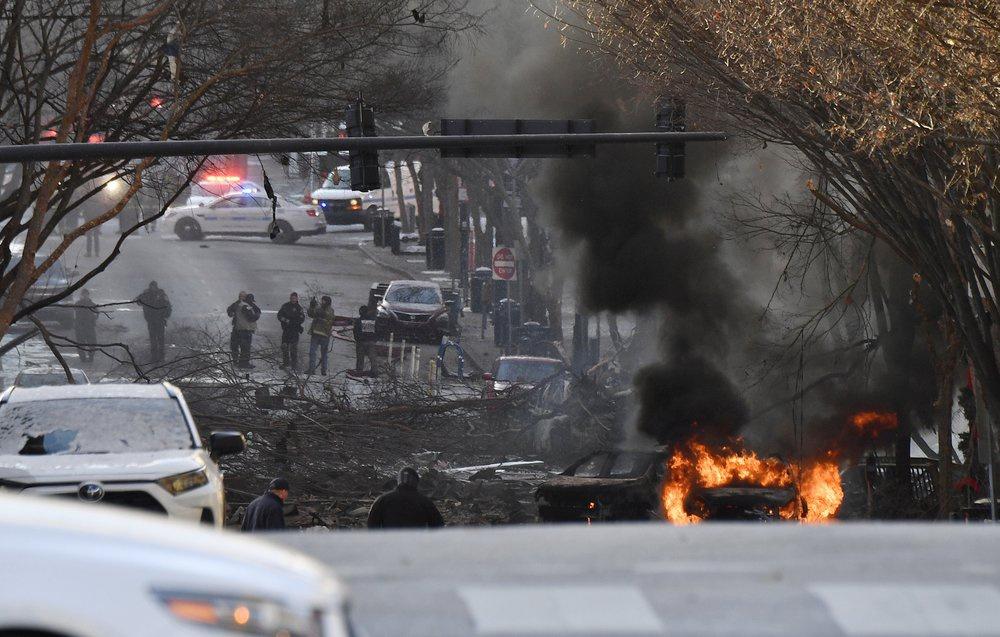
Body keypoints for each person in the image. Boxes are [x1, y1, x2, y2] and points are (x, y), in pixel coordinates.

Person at [367, 467, 444, 529]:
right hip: (417, 544)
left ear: (399, 480)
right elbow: (438, 525)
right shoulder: (425, 501)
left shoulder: (383, 499)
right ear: (416, 482)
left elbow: (371, 523)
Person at [137, 281, 171, 363]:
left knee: (160, 339)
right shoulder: (147, 294)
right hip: (152, 320)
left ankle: (160, 357)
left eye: (153, 286)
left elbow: (168, 306)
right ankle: (155, 357)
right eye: (152, 286)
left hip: (159, 320)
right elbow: (138, 301)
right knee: (154, 340)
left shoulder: (161, 294)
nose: (152, 288)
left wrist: (165, 316)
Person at [306, 295, 336, 375]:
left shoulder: (330, 310)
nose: (322, 302)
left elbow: (326, 316)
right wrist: (312, 306)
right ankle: (311, 369)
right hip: (315, 333)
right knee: (312, 352)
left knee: (324, 354)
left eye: (323, 301)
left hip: (325, 335)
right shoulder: (319, 309)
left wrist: (317, 311)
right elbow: (311, 314)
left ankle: (324, 370)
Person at [277, 292, 305, 370]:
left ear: (297, 299)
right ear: (290, 298)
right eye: (292, 298)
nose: (293, 299)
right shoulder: (285, 306)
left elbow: (302, 318)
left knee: (293, 348)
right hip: (286, 330)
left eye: (294, 298)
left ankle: (294, 365)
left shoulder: (299, 308)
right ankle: (286, 363)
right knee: (284, 347)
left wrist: (295, 322)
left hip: (294, 331)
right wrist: (286, 320)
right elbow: (279, 316)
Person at [234, 292, 261, 369]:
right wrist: (257, 315)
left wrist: (254, 308)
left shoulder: (244, 305)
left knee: (244, 347)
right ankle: (244, 364)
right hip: (244, 329)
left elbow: (257, 310)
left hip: (243, 329)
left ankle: (243, 363)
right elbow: (251, 318)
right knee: (245, 348)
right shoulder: (245, 306)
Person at [74, 289, 98, 364]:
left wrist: (93, 320)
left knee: (92, 343)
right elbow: (75, 315)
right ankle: (83, 358)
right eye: (83, 294)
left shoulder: (92, 304)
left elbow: (96, 315)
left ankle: (91, 357)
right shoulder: (77, 304)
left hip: (89, 327)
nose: (85, 296)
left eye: (86, 294)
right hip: (80, 327)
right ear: (81, 295)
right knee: (81, 343)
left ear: (88, 295)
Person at [353, 305, 378, 374]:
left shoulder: (359, 321)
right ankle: (374, 371)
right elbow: (377, 331)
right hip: (371, 342)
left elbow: (355, 331)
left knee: (360, 358)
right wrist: (374, 339)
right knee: (372, 358)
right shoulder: (372, 320)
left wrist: (357, 340)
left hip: (361, 342)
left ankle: (359, 371)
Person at [226, 291, 247, 363]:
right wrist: (231, 313)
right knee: (234, 345)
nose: (241, 298)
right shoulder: (236, 304)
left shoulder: (247, 305)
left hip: (244, 329)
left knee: (243, 346)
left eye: (243, 296)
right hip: (237, 327)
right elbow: (229, 309)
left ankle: (242, 361)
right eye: (240, 296)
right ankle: (235, 360)